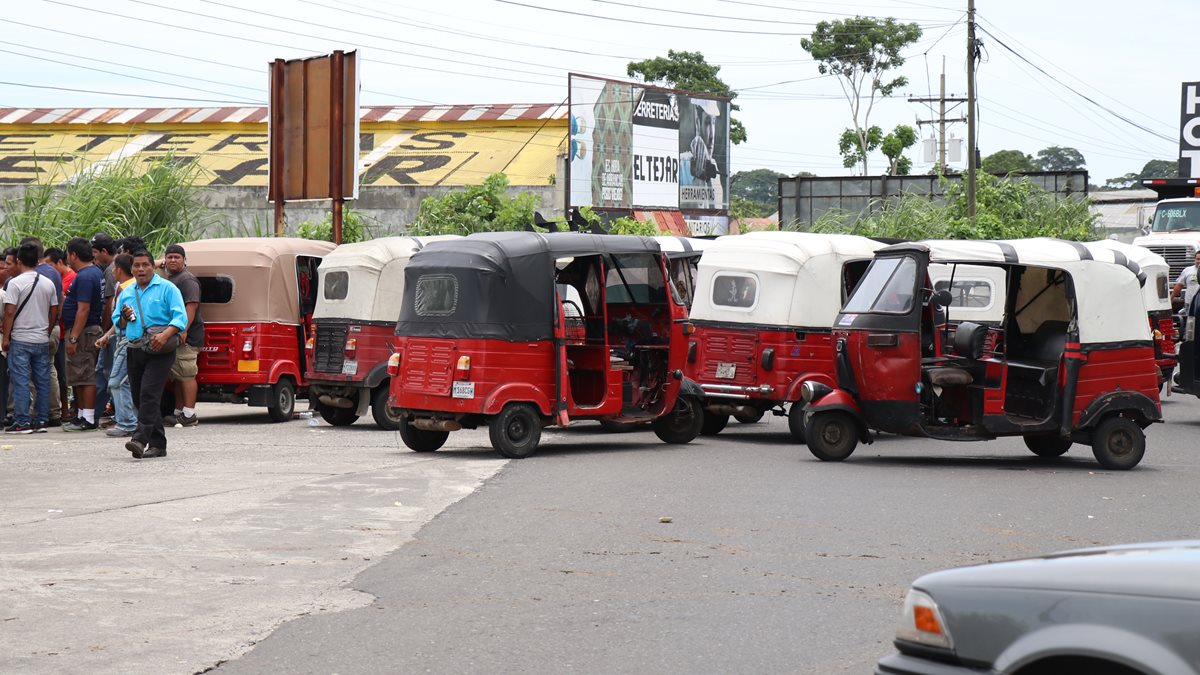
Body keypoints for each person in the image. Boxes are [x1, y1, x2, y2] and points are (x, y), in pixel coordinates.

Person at [114, 249, 186, 459]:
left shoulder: (168, 288)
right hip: (135, 348)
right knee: (138, 397)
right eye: (136, 266)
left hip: (160, 349)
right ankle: (158, 444)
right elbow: (118, 323)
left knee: (149, 394)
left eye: (145, 265)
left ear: (153, 266)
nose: (141, 269)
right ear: (132, 269)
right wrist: (125, 318)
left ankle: (139, 439)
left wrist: (164, 335)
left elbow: (180, 319)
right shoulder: (127, 292)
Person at [3, 243, 59, 433]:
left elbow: (9, 312)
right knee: (42, 380)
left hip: (20, 339)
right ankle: (42, 420)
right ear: (37, 260)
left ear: (19, 261)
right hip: (41, 339)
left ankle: (22, 421)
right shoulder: (48, 283)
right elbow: (54, 311)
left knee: (20, 380)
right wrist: (47, 329)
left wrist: (6, 337)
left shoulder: (15, 283)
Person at [61, 237, 105, 432]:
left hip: (84, 331)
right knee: (78, 373)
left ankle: (88, 417)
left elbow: (83, 309)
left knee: (86, 373)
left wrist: (73, 337)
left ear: (73, 255)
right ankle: (80, 415)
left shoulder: (86, 275)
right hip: (84, 329)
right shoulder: (93, 272)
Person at [20, 237, 65, 426]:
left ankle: (37, 412)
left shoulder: (28, 277)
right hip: (52, 327)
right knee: (49, 369)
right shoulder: (53, 273)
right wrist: (52, 324)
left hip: (35, 330)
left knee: (31, 372)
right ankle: (53, 412)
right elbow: (59, 302)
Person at [95, 253, 137, 438]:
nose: (112, 271)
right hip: (121, 337)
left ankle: (127, 423)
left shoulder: (127, 290)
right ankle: (130, 420)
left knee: (117, 382)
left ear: (119, 270)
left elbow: (127, 319)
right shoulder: (126, 288)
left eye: (114, 268)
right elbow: (120, 319)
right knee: (125, 382)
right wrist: (108, 335)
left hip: (127, 340)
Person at [162, 244, 203, 427]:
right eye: (169, 257)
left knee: (187, 374)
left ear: (185, 260)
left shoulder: (187, 280)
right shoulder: (172, 278)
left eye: (176, 257)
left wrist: (183, 330)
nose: (172, 260)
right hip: (175, 335)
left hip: (187, 336)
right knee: (178, 374)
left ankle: (189, 414)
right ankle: (178, 412)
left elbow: (191, 306)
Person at [91, 233, 117, 426]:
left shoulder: (111, 270)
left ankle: (111, 414)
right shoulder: (111, 268)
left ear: (104, 252)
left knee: (107, 372)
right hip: (112, 331)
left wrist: (105, 329)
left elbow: (109, 303)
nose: (93, 257)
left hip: (112, 331)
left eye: (95, 252)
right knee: (107, 372)